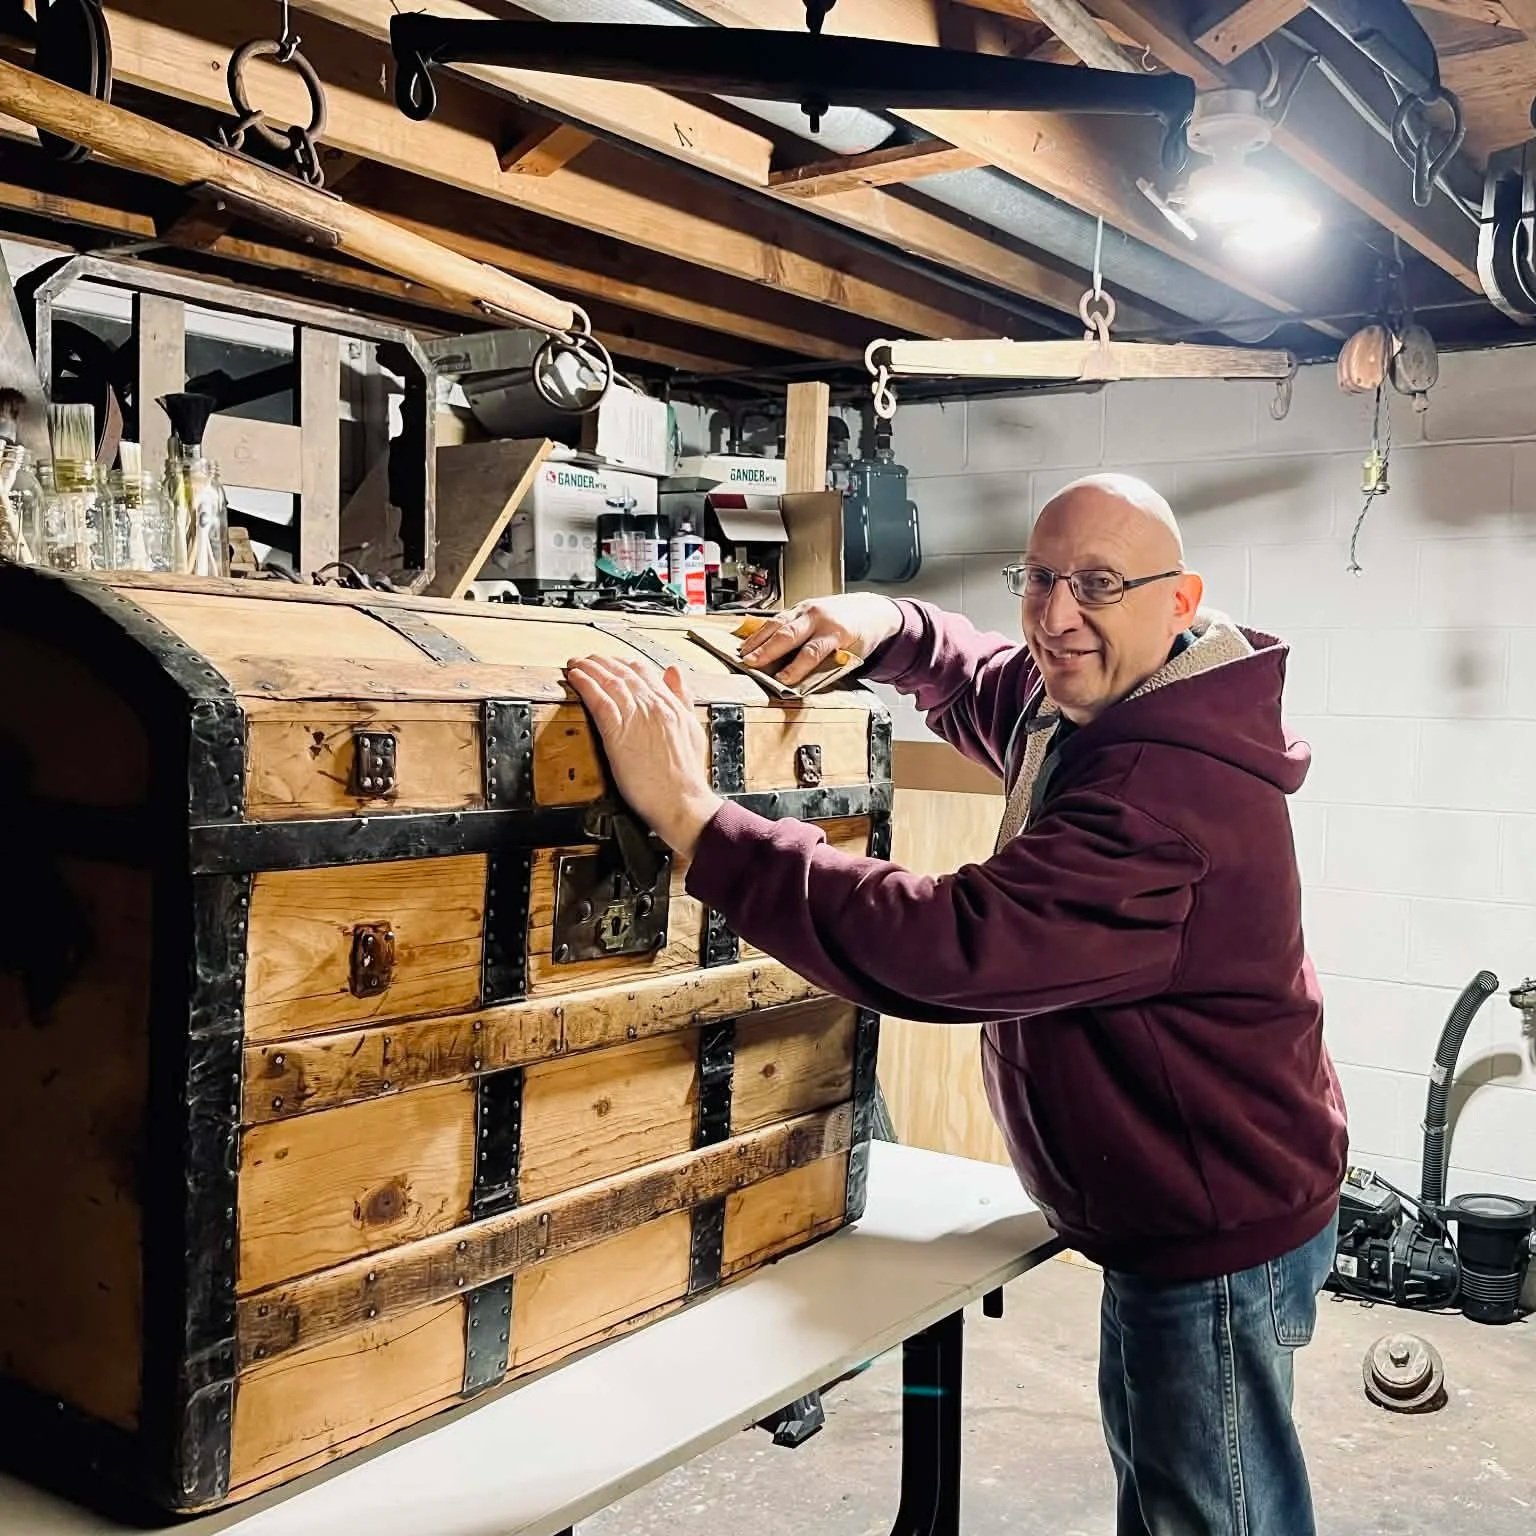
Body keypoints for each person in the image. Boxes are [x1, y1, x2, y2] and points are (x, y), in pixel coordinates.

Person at [565, 472, 1348, 1536]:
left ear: (1178, 600)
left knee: (1216, 1516)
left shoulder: (1164, 798)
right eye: (1039, 579)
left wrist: (698, 818)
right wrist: (888, 625)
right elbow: (993, 682)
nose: (1056, 616)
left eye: (1100, 585)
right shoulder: (1117, 699)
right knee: (1172, 1491)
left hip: (1216, 1220)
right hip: (1168, 1200)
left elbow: (944, 945)